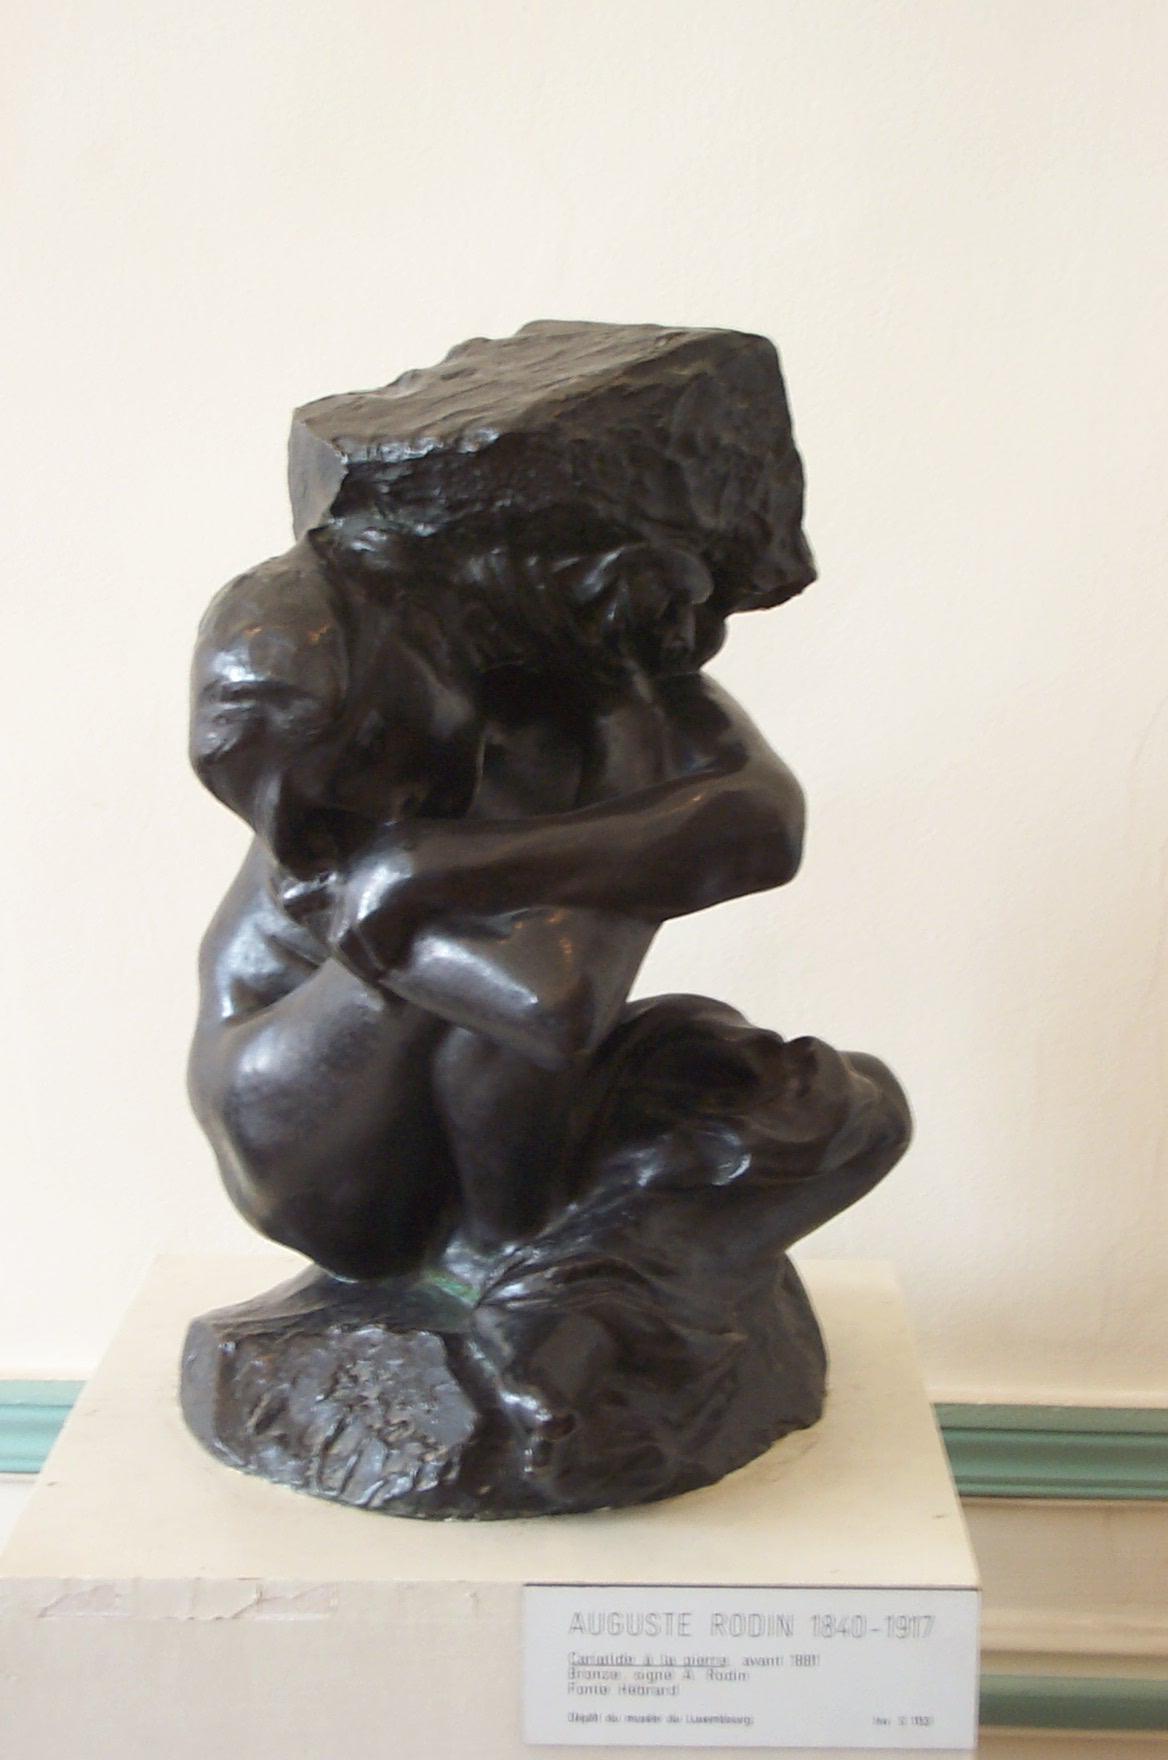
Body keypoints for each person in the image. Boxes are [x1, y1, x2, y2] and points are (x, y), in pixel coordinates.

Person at [188, 521, 808, 1279]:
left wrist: (454, 864)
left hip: (450, 1089)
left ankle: (531, 1252)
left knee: (785, 1082)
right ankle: (508, 1259)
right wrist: (634, 757)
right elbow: (551, 1005)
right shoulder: (326, 817)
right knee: (512, 996)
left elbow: (770, 826)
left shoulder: (549, 689)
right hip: (298, 1140)